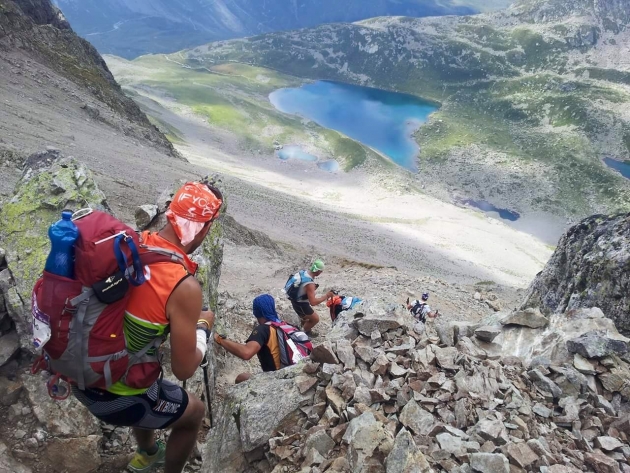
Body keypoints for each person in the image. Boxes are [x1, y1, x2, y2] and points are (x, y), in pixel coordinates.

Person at [72, 181, 223, 473]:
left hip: (77, 375)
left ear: (170, 212)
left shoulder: (132, 243)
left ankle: (148, 452)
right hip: (114, 398)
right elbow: (184, 370)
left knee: (148, 379)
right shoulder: (184, 287)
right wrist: (202, 329)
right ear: (204, 229)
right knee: (194, 413)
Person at [214, 294, 311, 383]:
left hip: (277, 380)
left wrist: (220, 340)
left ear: (256, 312)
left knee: (241, 378)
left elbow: (246, 353)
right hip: (297, 374)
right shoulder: (287, 326)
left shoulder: (263, 330)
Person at [288, 259, 334, 335]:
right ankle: (302, 333)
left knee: (305, 317)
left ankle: (305, 327)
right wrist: (326, 296)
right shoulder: (310, 283)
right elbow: (313, 302)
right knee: (315, 319)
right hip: (301, 304)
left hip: (294, 300)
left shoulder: (304, 272)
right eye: (321, 271)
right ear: (318, 271)